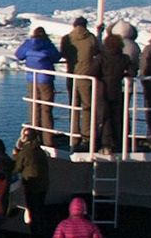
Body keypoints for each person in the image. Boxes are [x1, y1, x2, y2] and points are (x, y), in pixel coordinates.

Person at [13, 26, 62, 145]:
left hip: (31, 79)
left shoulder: (28, 44)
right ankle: (48, 140)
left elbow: (19, 55)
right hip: (45, 79)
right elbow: (56, 56)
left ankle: (34, 137)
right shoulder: (47, 45)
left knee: (34, 108)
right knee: (46, 109)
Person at [60, 18, 100, 149]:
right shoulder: (91, 38)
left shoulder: (67, 39)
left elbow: (64, 53)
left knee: (73, 104)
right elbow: (97, 51)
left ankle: (74, 133)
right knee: (87, 106)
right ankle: (87, 135)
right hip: (86, 76)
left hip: (72, 75)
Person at [13, 126, 50, 238]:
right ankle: (42, 232)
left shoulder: (26, 152)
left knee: (33, 211)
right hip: (43, 184)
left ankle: (36, 236)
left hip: (32, 185)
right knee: (40, 208)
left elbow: (16, 168)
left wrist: (16, 155)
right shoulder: (40, 151)